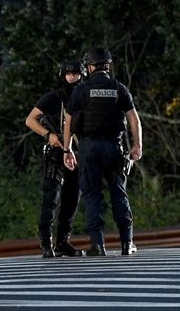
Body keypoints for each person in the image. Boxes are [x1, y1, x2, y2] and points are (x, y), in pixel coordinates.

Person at [63, 46, 142, 256]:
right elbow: (134, 118)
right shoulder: (119, 88)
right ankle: (127, 243)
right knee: (119, 193)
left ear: (89, 67)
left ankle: (98, 245)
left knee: (92, 196)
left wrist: (67, 149)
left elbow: (68, 121)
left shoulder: (81, 90)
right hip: (114, 148)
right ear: (107, 65)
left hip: (88, 149)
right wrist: (137, 146)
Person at [24, 59, 85, 258]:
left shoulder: (85, 97)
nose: (72, 77)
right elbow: (30, 120)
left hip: (77, 152)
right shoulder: (54, 97)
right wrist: (47, 135)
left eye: (76, 74)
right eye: (69, 74)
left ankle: (62, 242)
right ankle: (46, 243)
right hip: (55, 152)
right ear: (63, 75)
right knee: (51, 197)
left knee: (72, 198)